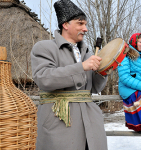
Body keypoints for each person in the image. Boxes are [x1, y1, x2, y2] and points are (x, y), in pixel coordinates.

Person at [30, 0, 107, 149]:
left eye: (85, 24)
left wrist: (103, 72)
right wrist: (81, 67)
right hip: (59, 124)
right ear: (65, 24)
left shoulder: (87, 53)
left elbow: (95, 88)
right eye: (80, 23)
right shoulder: (44, 48)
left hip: (91, 125)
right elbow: (44, 78)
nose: (85, 29)